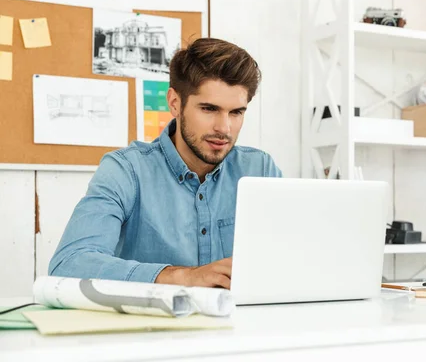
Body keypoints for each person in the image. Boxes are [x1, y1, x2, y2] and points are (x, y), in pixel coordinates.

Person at [48, 38, 282, 290]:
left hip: (245, 326)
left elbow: (296, 252)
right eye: (209, 109)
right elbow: (69, 264)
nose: (224, 128)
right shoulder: (126, 170)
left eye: (236, 112)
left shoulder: (260, 169)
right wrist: (183, 277)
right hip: (150, 328)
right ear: (175, 103)